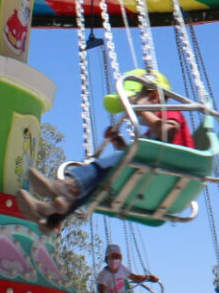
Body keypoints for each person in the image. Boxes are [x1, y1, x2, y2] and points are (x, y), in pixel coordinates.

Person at [17, 69, 190, 229]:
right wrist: (118, 141)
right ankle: (51, 217)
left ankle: (68, 186)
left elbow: (168, 131)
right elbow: (140, 151)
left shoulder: (171, 113)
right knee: (98, 184)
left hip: (171, 168)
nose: (135, 113)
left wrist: (142, 109)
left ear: (154, 96)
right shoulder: (152, 132)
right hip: (154, 171)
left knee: (122, 159)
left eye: (135, 103)